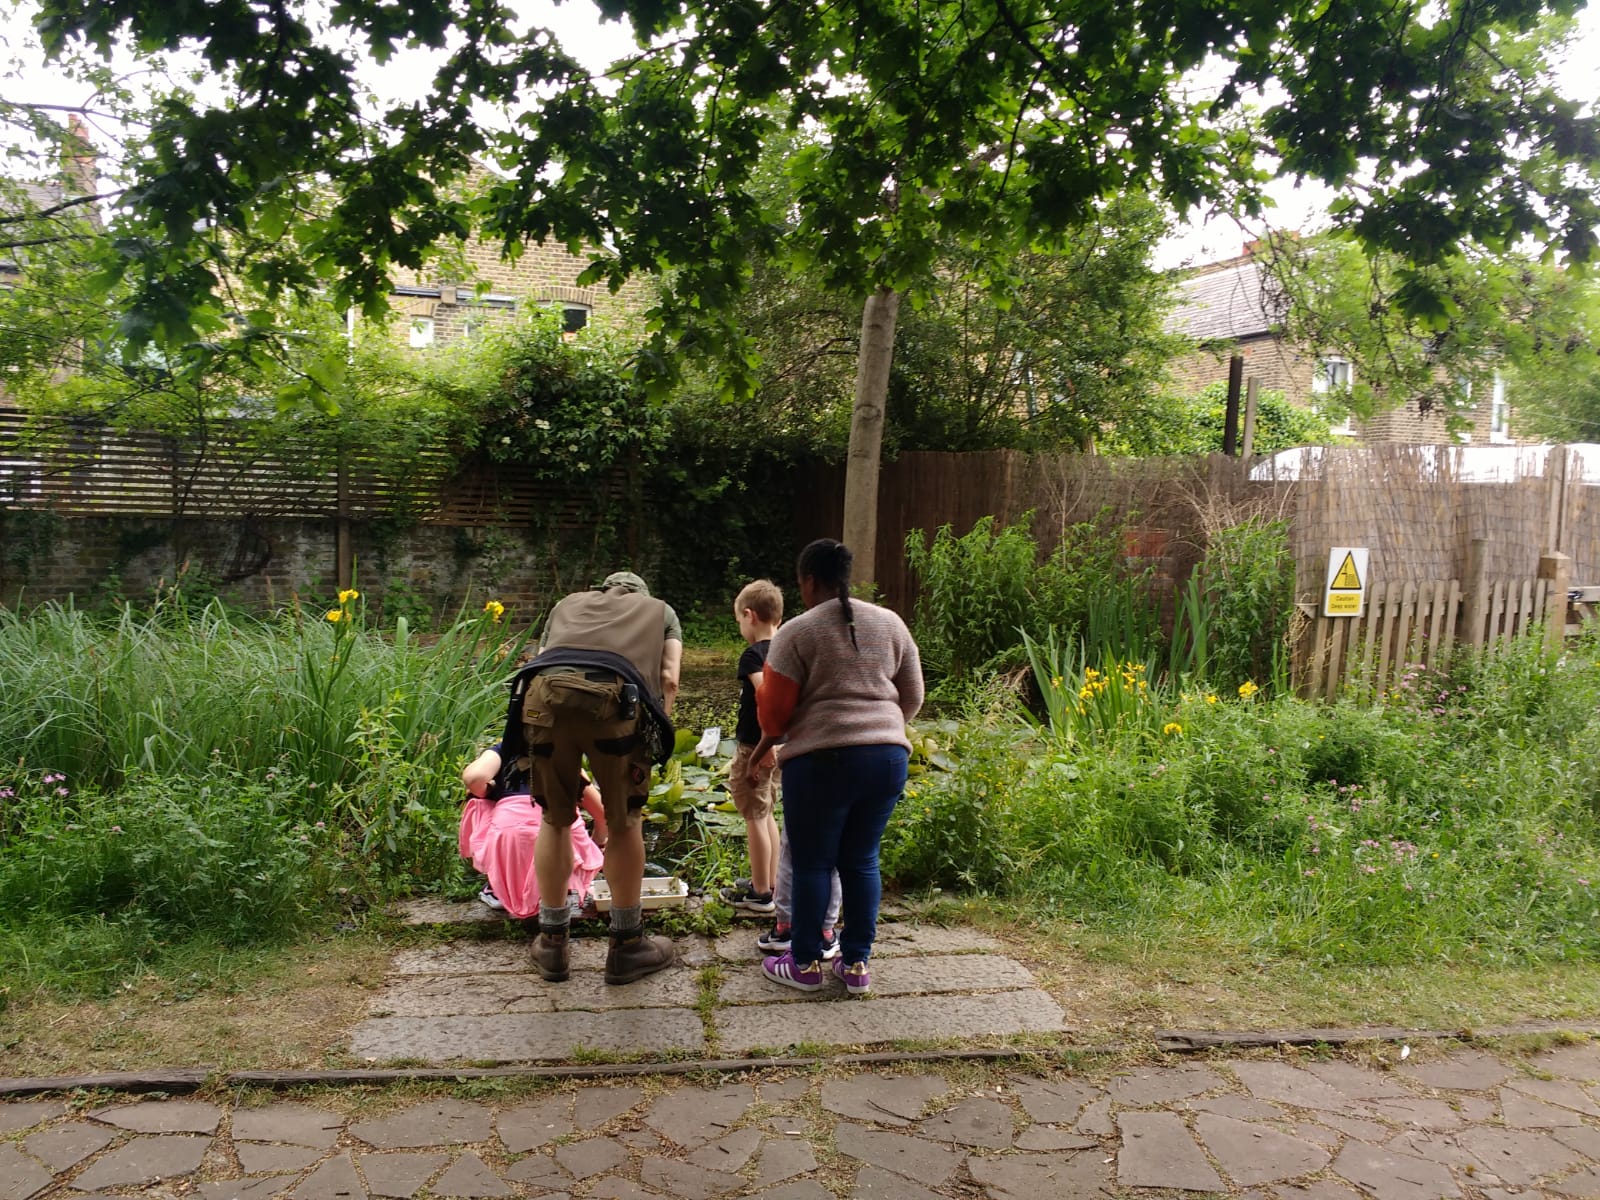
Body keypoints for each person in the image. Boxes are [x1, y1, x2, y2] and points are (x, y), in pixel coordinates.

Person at [743, 538, 923, 995]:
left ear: (807, 581)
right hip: (886, 757)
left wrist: (771, 745)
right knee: (861, 860)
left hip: (820, 761)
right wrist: (878, 731)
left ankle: (803, 963)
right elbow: (914, 694)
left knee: (812, 862)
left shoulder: (797, 632)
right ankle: (856, 964)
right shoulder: (890, 623)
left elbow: (775, 717)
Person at [501, 570, 682, 985]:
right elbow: (669, 678)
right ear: (642, 594)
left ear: (603, 590)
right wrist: (658, 731)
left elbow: (546, 657)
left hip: (544, 703)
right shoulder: (660, 612)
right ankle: (627, 945)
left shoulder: (567, 604)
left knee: (555, 819)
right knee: (625, 823)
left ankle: (552, 943)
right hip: (616, 710)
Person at [458, 745, 608, 920]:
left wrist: (488, 792)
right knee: (566, 825)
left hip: (512, 833)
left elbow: (474, 779)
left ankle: (500, 888)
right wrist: (597, 843)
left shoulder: (502, 752)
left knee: (480, 805)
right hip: (560, 838)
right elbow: (602, 814)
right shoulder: (563, 753)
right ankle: (563, 888)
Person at [718, 579, 784, 915]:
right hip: (779, 745)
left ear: (749, 615)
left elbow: (766, 697)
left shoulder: (753, 655)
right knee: (765, 812)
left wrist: (763, 745)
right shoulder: (786, 648)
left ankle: (760, 894)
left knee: (754, 816)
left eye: (739, 621)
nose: (741, 627)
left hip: (755, 747)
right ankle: (769, 882)